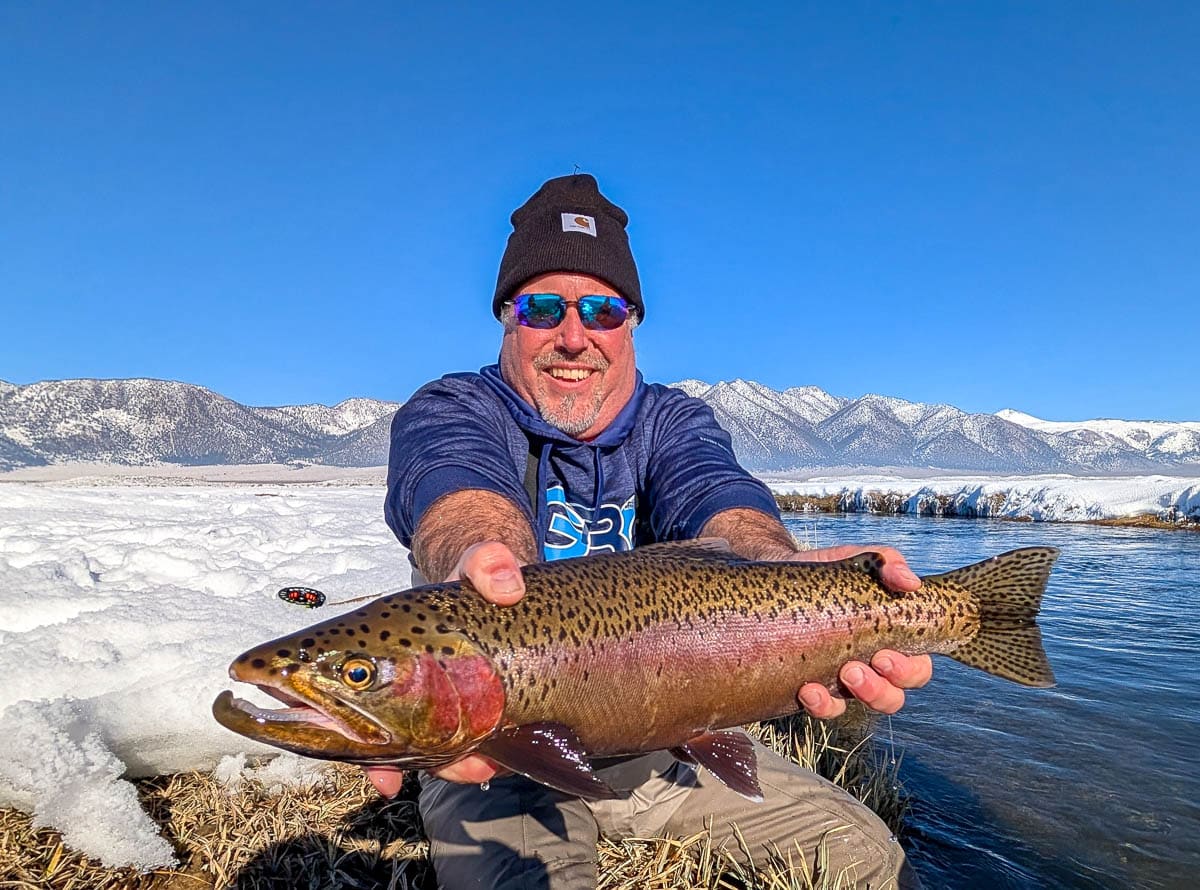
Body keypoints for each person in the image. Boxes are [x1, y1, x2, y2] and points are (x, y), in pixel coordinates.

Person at [380, 173, 930, 889]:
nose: (573, 336)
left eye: (602, 310)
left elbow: (716, 495)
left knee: (866, 857)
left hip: (667, 743)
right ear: (507, 320)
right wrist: (479, 556)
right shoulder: (455, 406)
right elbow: (458, 491)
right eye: (543, 308)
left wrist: (781, 567)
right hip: (498, 749)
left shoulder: (673, 422)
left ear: (631, 322)